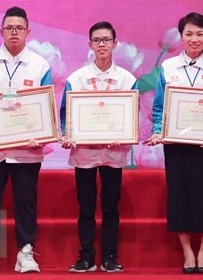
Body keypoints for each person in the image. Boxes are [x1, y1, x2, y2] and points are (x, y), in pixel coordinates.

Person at [0, 6, 52, 274]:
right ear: (1, 31)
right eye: (9, 27)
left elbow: (46, 105)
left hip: (27, 148)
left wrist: (42, 133)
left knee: (25, 201)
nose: (14, 31)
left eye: (19, 27)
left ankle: (25, 252)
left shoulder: (41, 64)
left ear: (28, 31)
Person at [147, 12, 203, 275]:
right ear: (181, 37)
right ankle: (187, 252)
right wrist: (159, 132)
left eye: (200, 34)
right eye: (189, 34)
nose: (194, 39)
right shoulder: (168, 68)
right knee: (179, 197)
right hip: (176, 144)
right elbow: (159, 107)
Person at [59, 21, 138, 273]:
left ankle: (110, 257)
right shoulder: (77, 78)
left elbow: (132, 116)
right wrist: (67, 133)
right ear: (90, 44)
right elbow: (65, 114)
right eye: (97, 40)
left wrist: (125, 135)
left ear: (116, 44)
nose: (102, 44)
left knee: (111, 206)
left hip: (114, 151)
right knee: (85, 206)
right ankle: (86, 257)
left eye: (106, 40)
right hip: (84, 151)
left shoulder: (127, 79)